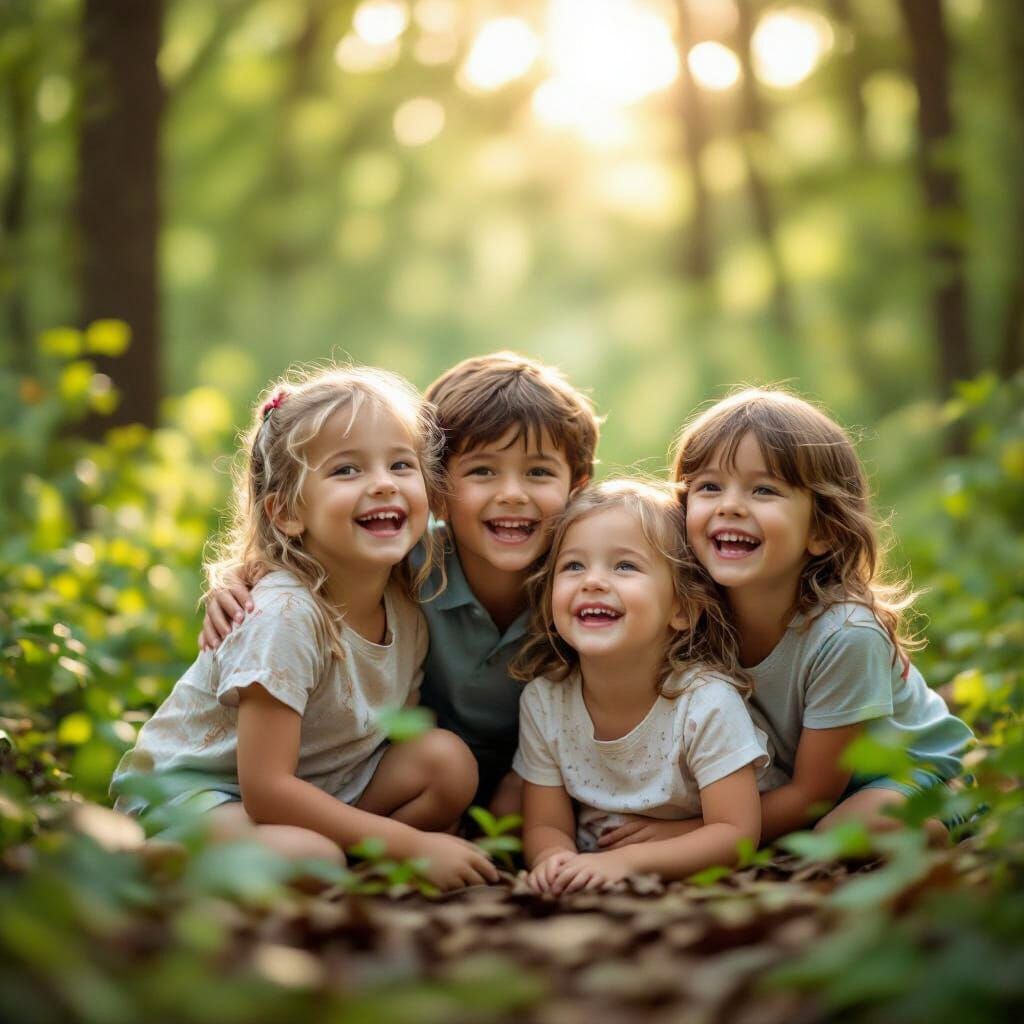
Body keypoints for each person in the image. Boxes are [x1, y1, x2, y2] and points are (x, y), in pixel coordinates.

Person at [111, 365, 499, 891]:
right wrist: (412, 843)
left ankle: (343, 866)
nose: (384, 483)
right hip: (202, 797)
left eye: (401, 464)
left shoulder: (405, 603)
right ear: (287, 513)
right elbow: (265, 790)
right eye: (346, 470)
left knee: (447, 765)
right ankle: (140, 860)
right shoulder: (285, 615)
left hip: (317, 785)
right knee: (311, 856)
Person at [201, 353, 601, 815]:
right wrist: (243, 576)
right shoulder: (404, 564)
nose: (512, 493)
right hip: (421, 775)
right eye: (483, 471)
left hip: (534, 783)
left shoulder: (588, 583)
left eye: (538, 472)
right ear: (437, 490)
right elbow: (319, 554)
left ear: (576, 489)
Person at [663, 387, 974, 844]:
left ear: (823, 530)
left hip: (909, 771)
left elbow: (812, 795)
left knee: (844, 827)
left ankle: (951, 815)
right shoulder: (689, 616)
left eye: (764, 490)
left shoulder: (845, 634)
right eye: (709, 486)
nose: (728, 505)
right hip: (810, 785)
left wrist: (682, 836)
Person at [512, 480, 776, 894]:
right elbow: (545, 824)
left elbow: (735, 834)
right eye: (574, 566)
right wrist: (553, 859)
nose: (592, 581)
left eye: (625, 567)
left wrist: (625, 863)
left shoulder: (705, 703)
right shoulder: (544, 701)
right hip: (596, 875)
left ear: (682, 608)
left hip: (673, 875)